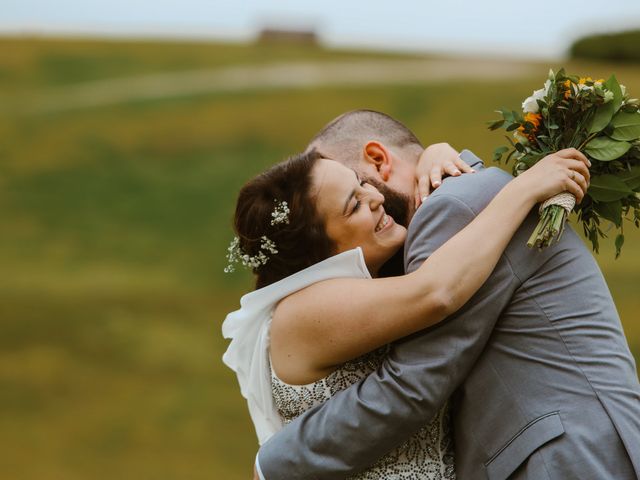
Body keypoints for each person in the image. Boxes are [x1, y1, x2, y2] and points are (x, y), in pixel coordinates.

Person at [253, 111, 640, 480]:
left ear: (377, 159)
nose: (371, 197)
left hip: (563, 459)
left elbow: (415, 382)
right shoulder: (459, 203)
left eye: (360, 183)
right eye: (352, 201)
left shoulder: (448, 208)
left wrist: (276, 462)